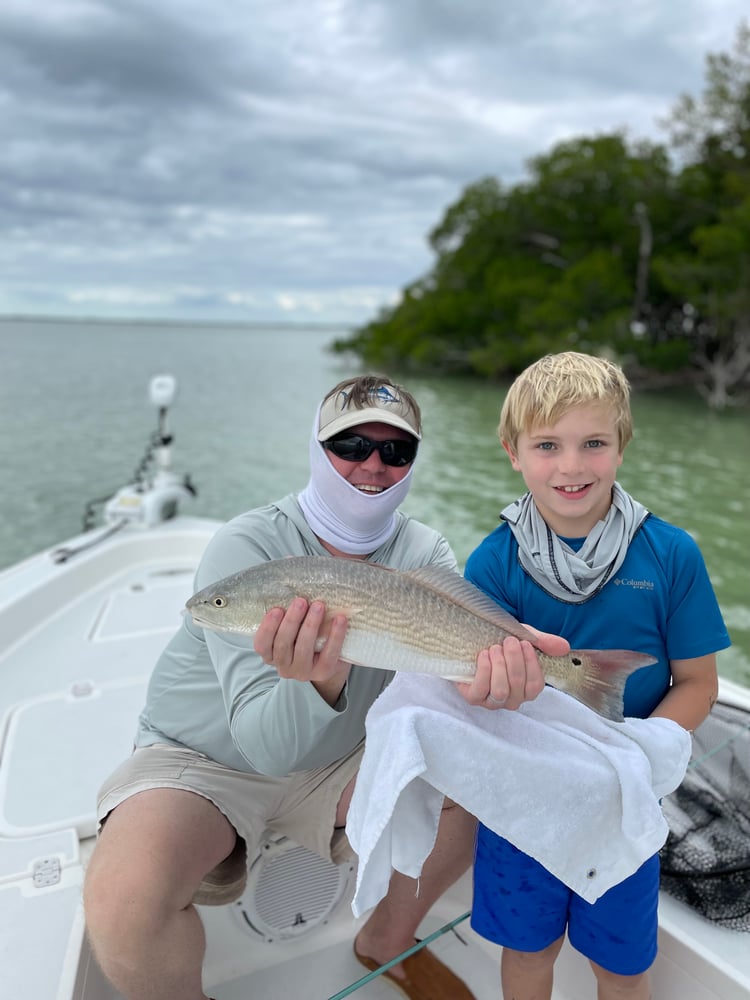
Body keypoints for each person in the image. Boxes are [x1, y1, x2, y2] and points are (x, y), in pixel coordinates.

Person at [83, 374, 566, 1000]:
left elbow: (444, 679)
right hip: (206, 763)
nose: (372, 464)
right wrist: (323, 675)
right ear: (318, 448)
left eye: (396, 451)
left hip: (341, 760)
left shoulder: (424, 551)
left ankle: (385, 943)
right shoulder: (248, 545)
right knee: (123, 899)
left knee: (480, 775)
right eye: (351, 444)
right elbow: (266, 749)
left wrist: (493, 680)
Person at [465, 351, 731, 1000]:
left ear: (622, 446)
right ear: (513, 452)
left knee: (621, 965)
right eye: (547, 445)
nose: (572, 466)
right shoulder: (492, 565)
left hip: (624, 795)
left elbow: (698, 681)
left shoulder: (671, 554)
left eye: (594, 443)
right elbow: (470, 689)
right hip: (522, 798)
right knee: (529, 951)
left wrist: (644, 750)